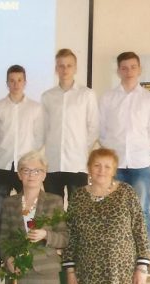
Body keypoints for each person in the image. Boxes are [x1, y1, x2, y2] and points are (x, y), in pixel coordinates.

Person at [62, 148, 150, 284]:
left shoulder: (126, 192)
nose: (102, 170)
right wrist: (70, 271)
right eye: (97, 165)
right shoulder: (78, 196)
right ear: (89, 168)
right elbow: (70, 235)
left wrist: (142, 268)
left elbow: (140, 230)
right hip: (88, 275)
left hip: (122, 275)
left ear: (114, 170)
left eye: (107, 167)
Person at [99, 51, 150, 237]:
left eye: (133, 67)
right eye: (124, 68)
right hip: (114, 166)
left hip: (140, 164)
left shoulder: (149, 99)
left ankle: (143, 255)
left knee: (142, 211)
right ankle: (116, 253)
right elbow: (101, 129)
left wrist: (140, 150)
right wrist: (112, 154)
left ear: (139, 69)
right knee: (114, 212)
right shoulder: (108, 97)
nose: (129, 72)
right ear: (118, 71)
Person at [0, 151, 68, 284]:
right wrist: (8, 259)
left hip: (45, 273)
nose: (31, 175)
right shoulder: (9, 203)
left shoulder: (55, 201)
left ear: (44, 175)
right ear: (19, 174)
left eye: (37, 171)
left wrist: (46, 235)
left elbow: (64, 238)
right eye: (26, 170)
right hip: (17, 270)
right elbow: (3, 239)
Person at [42, 48, 99, 201]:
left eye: (69, 65)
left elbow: (94, 127)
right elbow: (43, 128)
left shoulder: (87, 94)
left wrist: (81, 147)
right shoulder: (47, 96)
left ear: (75, 68)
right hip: (53, 163)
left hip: (77, 164)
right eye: (61, 66)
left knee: (77, 209)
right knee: (53, 211)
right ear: (56, 69)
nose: (65, 69)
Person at [0, 65, 44, 212]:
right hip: (3, 165)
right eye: (12, 80)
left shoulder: (35, 108)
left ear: (25, 82)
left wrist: (29, 156)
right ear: (7, 83)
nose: (16, 84)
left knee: (28, 209)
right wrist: (2, 151)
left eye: (19, 80)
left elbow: (39, 137)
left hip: (27, 168)